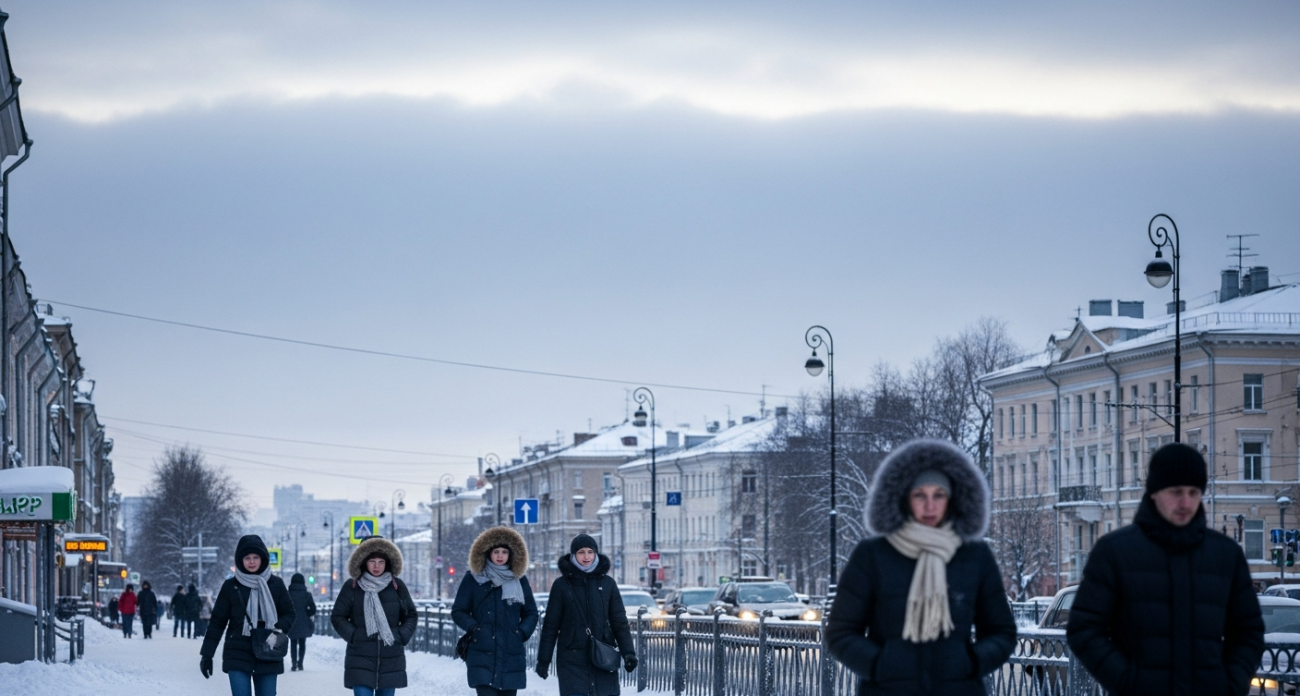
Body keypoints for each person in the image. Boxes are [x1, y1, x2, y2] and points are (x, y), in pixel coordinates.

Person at [1067, 443, 1265, 696]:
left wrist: (1228, 685)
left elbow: (1248, 632)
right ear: (1154, 492)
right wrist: (1129, 682)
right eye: (1176, 491)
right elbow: (1084, 629)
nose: (1186, 502)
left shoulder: (1226, 555)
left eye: (1194, 492)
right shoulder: (1115, 552)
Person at [826, 439, 1016, 696]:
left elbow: (1001, 632)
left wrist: (970, 663)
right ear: (905, 498)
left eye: (939, 495)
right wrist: (881, 665)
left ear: (952, 499)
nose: (930, 505)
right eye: (920, 495)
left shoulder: (974, 555)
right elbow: (841, 632)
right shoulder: (873, 555)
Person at [536, 533, 637, 696]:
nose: (586, 556)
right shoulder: (562, 585)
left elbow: (619, 622)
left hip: (603, 657)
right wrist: (544, 660)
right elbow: (551, 626)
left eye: (590, 551)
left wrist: (628, 653)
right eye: (581, 552)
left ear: (595, 553)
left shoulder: (607, 584)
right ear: (573, 555)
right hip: (571, 658)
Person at [199, 535, 295, 696]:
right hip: (237, 651)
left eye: (256, 557)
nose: (251, 562)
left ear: (263, 558)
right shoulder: (231, 586)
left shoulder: (275, 584)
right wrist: (207, 654)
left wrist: (276, 632)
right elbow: (217, 622)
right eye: (247, 558)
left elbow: (289, 614)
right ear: (240, 560)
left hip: (268, 650)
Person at [452, 526, 539, 696]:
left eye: (504, 552)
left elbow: (531, 612)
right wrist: (476, 629)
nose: (500, 556)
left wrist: (520, 633)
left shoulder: (519, 579)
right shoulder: (473, 578)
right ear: (487, 553)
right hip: (482, 651)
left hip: (511, 653)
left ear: (511, 554)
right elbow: (458, 610)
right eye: (496, 551)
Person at [331, 536, 419, 696]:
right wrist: (354, 635)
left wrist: (400, 635)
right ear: (363, 561)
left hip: (390, 658)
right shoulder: (352, 586)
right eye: (372, 561)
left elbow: (410, 615)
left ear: (388, 562)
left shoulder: (397, 586)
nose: (377, 566)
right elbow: (338, 616)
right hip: (360, 656)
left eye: (381, 561)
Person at [286, 573, 317, 671]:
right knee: (302, 643)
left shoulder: (288, 594)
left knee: (293, 642)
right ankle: (300, 663)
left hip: (292, 622)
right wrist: (307, 613)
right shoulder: (307, 594)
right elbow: (313, 608)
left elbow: (283, 607)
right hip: (304, 621)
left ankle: (293, 663)